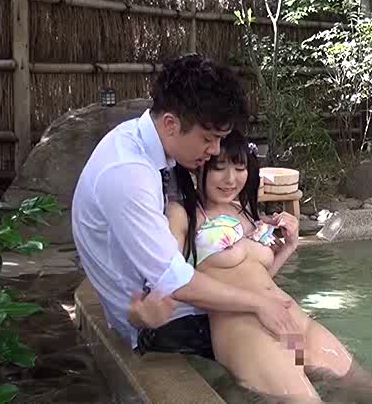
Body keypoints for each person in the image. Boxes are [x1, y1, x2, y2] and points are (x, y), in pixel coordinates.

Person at [71, 53, 301, 370]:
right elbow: (173, 281)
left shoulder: (141, 144)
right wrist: (258, 302)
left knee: (298, 334)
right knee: (290, 346)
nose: (215, 150)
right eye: (208, 139)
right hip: (161, 322)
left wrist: (278, 256)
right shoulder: (128, 174)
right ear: (171, 124)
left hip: (177, 304)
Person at [163, 130, 372, 403]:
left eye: (240, 168)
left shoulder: (243, 211)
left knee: (371, 392)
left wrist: (289, 247)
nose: (230, 179)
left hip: (290, 321)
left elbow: (257, 277)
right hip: (246, 330)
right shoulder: (183, 214)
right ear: (200, 166)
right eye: (219, 168)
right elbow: (171, 278)